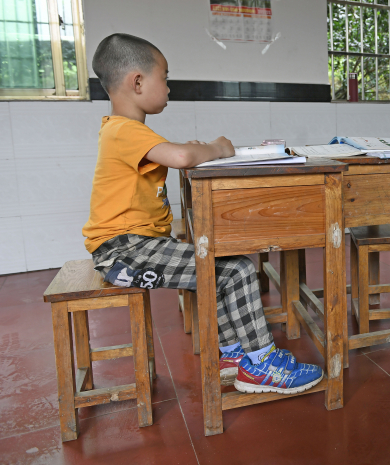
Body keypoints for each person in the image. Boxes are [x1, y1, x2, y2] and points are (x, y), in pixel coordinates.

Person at [82, 33, 323, 394]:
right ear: (137, 82)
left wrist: (195, 150)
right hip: (123, 253)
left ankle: (232, 354)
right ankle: (262, 365)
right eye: (164, 78)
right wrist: (215, 147)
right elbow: (180, 158)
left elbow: (174, 153)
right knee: (238, 268)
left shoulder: (126, 130)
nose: (168, 87)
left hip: (129, 247)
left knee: (223, 264)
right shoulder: (122, 130)